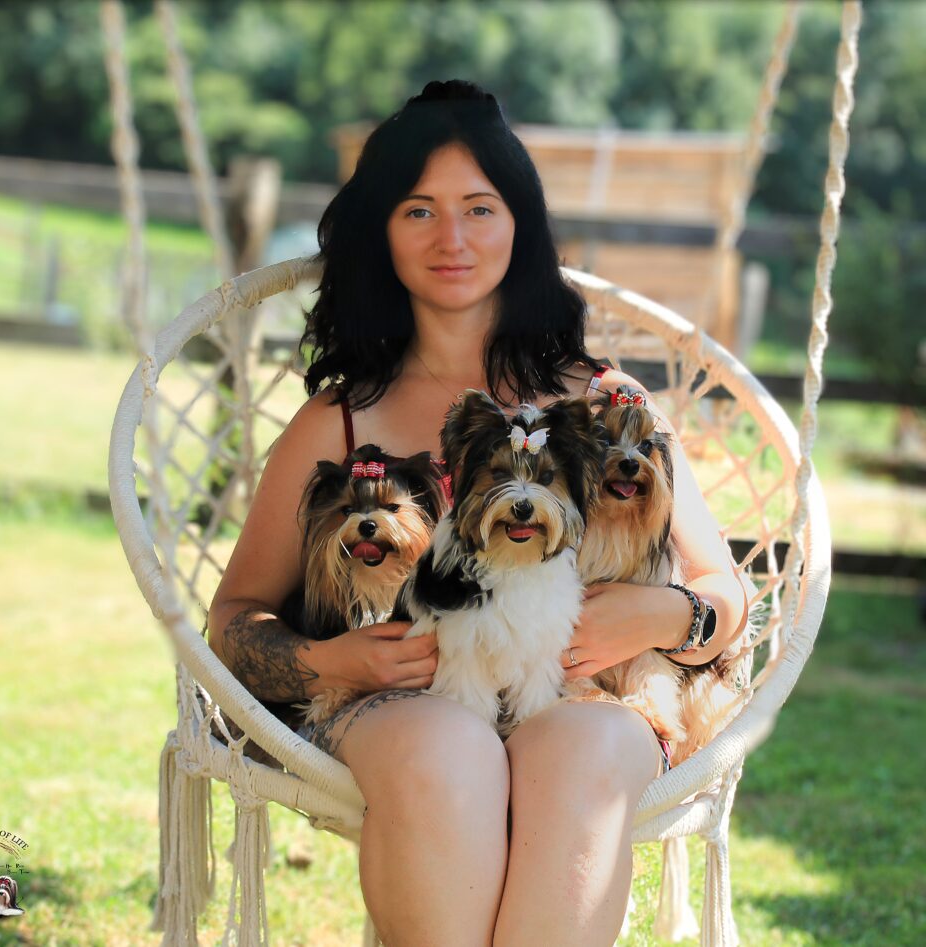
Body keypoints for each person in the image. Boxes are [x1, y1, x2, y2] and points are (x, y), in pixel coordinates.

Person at [208, 79, 749, 947]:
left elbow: (727, 590)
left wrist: (663, 613)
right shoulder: (338, 422)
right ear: (381, 231)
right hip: (403, 705)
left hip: (577, 693)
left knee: (584, 751)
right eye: (418, 210)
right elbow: (233, 620)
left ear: (520, 225)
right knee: (444, 746)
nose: (451, 238)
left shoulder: (607, 406)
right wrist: (333, 658)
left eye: (479, 208)